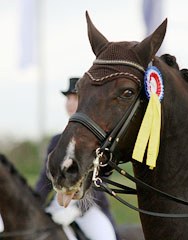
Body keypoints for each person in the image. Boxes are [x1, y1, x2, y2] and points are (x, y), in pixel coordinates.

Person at [35, 77, 118, 240]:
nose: (71, 103)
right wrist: (33, 203)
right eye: (68, 98)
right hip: (58, 206)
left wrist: (78, 208)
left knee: (105, 237)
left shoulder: (99, 140)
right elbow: (45, 180)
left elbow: (102, 180)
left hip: (89, 208)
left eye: (76, 97)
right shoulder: (56, 141)